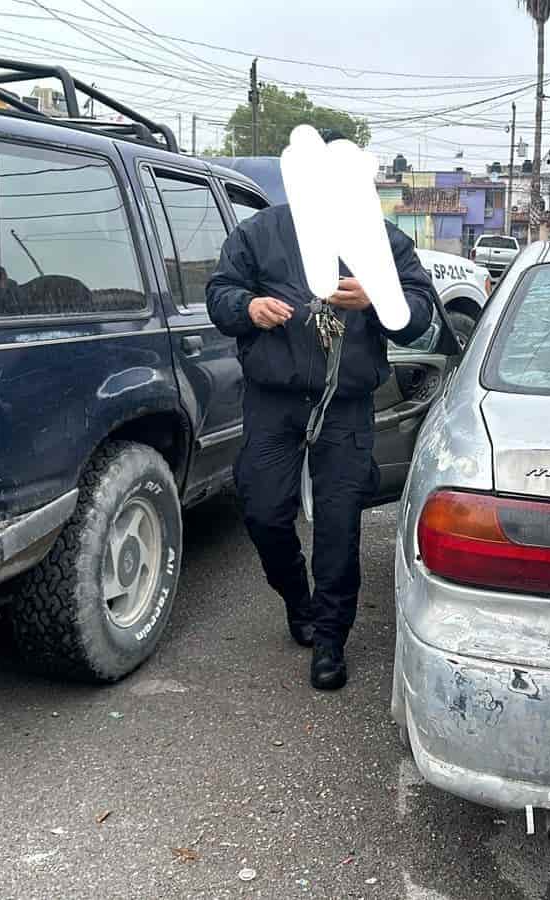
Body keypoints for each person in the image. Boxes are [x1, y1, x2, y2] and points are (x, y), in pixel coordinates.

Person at [205, 166, 446, 692]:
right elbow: (219, 294)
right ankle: (299, 600)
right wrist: (247, 306)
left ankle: (331, 640)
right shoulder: (259, 233)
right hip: (275, 399)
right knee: (265, 512)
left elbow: (422, 314)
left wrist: (381, 298)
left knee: (340, 523)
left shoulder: (380, 241)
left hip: (345, 404)